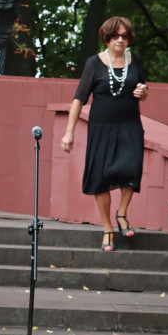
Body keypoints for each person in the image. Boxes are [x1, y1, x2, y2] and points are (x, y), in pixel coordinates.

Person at [61, 17, 149, 252]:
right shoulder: (94, 63)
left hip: (129, 124)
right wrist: (69, 133)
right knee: (101, 177)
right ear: (107, 38)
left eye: (125, 36)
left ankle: (122, 213)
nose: (120, 40)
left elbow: (143, 89)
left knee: (131, 168)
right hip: (101, 127)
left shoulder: (135, 60)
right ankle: (108, 228)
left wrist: (143, 92)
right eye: (115, 36)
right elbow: (79, 99)